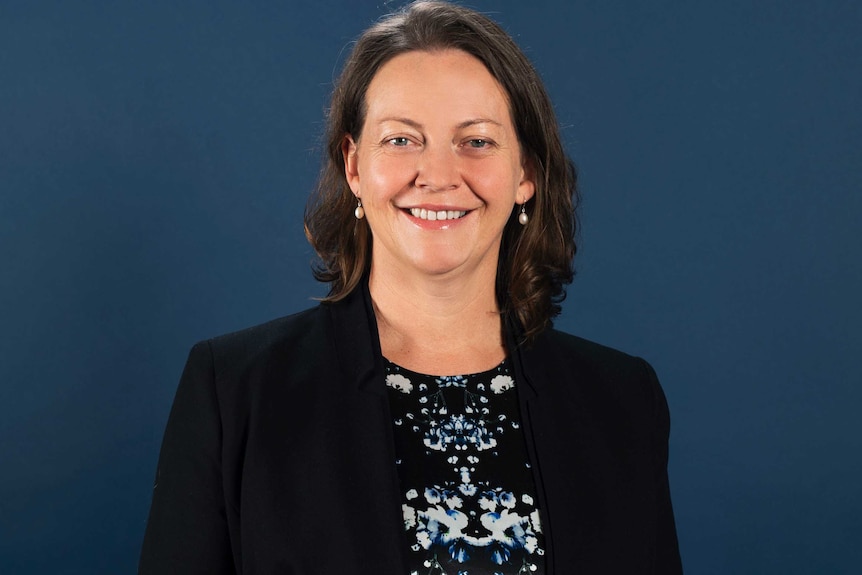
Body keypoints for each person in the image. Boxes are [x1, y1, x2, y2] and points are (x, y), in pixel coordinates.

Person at [139, 1, 682, 573]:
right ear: (354, 166)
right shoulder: (236, 392)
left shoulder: (622, 401)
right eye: (402, 140)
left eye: (476, 141)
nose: (439, 175)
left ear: (527, 174)